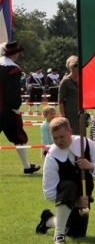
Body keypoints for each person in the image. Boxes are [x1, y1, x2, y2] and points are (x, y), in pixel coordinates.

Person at [36, 117, 95, 244]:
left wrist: (90, 166)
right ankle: (58, 236)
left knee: (76, 234)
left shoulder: (86, 143)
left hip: (84, 200)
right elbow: (49, 192)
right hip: (65, 197)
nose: (58, 141)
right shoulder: (51, 156)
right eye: (55, 138)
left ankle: (48, 220)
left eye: (62, 137)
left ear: (70, 131)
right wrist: (75, 202)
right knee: (69, 185)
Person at [0, 41, 40, 174]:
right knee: (18, 138)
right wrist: (16, 107)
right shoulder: (13, 69)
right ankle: (27, 166)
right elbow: (13, 92)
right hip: (7, 111)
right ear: (14, 53)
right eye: (17, 52)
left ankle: (28, 166)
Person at [58, 55, 83, 135]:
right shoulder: (65, 81)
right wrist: (63, 116)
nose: (78, 67)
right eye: (75, 65)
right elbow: (60, 101)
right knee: (71, 136)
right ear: (70, 67)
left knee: (82, 138)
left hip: (81, 113)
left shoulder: (83, 80)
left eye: (79, 65)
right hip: (70, 114)